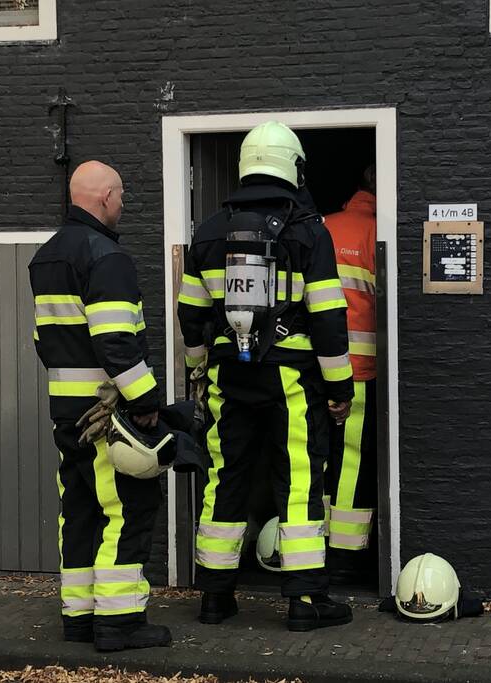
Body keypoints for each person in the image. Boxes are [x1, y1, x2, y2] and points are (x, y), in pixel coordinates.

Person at [177, 121, 355, 632]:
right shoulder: (308, 231)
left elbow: (191, 314)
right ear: (292, 166)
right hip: (291, 378)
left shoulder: (209, 231)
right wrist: (339, 389)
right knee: (298, 479)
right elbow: (327, 316)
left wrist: (198, 371)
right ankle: (305, 601)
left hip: (228, 375)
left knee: (224, 477)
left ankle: (215, 597)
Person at [29, 160, 170, 652]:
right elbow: (115, 341)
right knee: (127, 509)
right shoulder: (106, 256)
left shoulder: (47, 257)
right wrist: (146, 400)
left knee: (80, 509)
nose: (125, 205)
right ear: (106, 197)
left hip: (66, 408)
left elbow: (43, 340)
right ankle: (120, 622)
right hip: (104, 414)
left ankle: (79, 617)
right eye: (123, 197)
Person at [323, 166, 378, 582]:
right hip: (359, 371)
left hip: (313, 368)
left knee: (319, 456)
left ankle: (312, 543)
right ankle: (344, 554)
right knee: (353, 463)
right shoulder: (376, 234)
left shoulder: (322, 227)